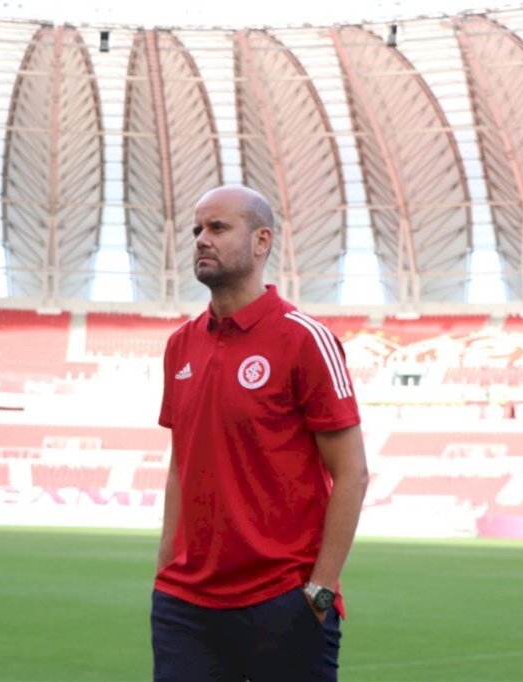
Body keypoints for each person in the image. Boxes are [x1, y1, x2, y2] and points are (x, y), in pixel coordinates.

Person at [152, 185, 369, 681]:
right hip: (185, 606)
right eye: (197, 229)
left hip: (283, 602)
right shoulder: (180, 345)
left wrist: (320, 590)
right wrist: (165, 571)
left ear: (261, 241)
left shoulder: (305, 339)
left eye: (218, 227)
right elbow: (180, 465)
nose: (201, 239)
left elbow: (352, 473)